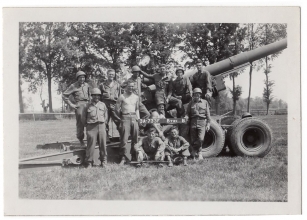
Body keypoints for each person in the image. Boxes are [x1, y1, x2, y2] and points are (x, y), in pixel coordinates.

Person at [62, 71, 91, 147]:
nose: (82, 79)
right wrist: (71, 104)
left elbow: (90, 95)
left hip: (88, 104)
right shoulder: (73, 86)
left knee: (90, 122)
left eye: (83, 77)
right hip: (79, 105)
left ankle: (91, 140)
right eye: (80, 77)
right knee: (80, 124)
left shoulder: (87, 85)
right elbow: (64, 95)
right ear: (77, 78)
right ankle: (81, 140)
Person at [115, 81, 140, 165]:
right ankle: (123, 157)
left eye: (132, 86)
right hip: (125, 117)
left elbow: (137, 109)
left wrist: (138, 118)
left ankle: (134, 156)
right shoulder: (122, 97)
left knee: (135, 138)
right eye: (129, 86)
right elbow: (117, 109)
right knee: (124, 139)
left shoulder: (136, 97)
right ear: (126, 87)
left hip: (134, 117)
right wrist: (121, 117)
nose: (131, 88)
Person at [84, 88, 108, 168]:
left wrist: (104, 123)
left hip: (101, 126)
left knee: (103, 145)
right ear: (92, 96)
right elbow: (83, 117)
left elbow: (106, 115)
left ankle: (103, 161)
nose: (96, 97)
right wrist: (87, 126)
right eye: (95, 95)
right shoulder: (87, 105)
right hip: (91, 127)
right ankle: (89, 162)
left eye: (98, 95)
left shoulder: (102, 104)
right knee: (90, 145)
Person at [185, 88, 211, 160]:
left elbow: (208, 114)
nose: (196, 96)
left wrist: (208, 124)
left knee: (200, 139)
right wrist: (186, 117)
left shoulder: (205, 102)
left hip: (202, 122)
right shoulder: (191, 103)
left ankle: (196, 152)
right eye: (195, 95)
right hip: (193, 122)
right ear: (193, 95)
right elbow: (187, 113)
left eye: (197, 94)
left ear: (200, 95)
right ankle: (197, 154)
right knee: (193, 139)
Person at [99, 69, 121, 141]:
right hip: (105, 105)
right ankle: (106, 137)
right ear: (107, 75)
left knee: (119, 120)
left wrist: (120, 105)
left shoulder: (117, 85)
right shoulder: (102, 85)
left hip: (115, 105)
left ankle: (122, 135)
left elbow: (120, 96)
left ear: (114, 75)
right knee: (105, 121)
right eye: (110, 74)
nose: (111, 76)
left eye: (112, 74)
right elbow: (99, 96)